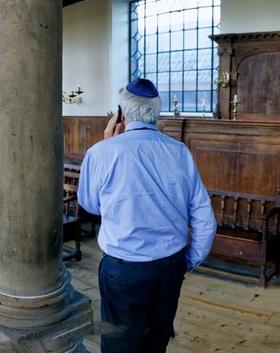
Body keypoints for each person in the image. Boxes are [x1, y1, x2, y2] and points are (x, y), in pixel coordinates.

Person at [78, 79, 215, 353]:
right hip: (169, 268)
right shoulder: (180, 153)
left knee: (120, 345)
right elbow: (205, 220)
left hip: (123, 270)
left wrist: (108, 143)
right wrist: (187, 260)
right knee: (156, 344)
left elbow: (91, 206)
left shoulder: (101, 152)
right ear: (157, 112)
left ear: (121, 114)